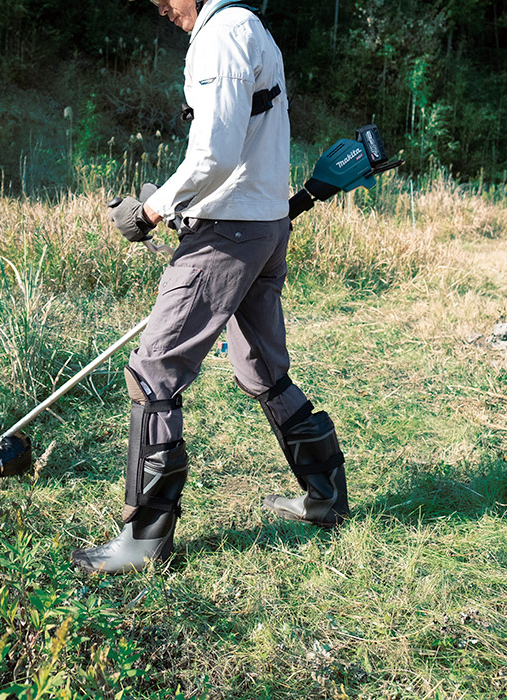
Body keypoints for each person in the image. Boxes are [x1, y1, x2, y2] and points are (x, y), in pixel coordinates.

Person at [71, 0, 348, 575]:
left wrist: (150, 210)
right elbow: (241, 144)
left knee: (154, 374)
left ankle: (143, 542)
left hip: (230, 233)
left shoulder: (221, 35)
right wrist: (175, 206)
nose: (157, 7)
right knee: (265, 372)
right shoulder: (248, 27)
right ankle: (324, 498)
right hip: (264, 224)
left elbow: (215, 156)